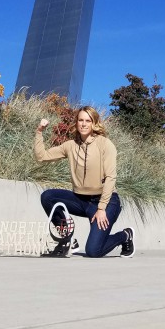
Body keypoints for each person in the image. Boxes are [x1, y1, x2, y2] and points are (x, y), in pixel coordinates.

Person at [34, 106, 135, 257]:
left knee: (93, 251)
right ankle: (67, 237)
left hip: (106, 202)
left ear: (94, 123)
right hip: (81, 200)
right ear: (76, 122)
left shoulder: (105, 144)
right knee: (48, 197)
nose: (83, 124)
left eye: (88, 120)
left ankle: (125, 236)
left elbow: (110, 177)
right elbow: (41, 157)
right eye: (80, 120)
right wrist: (39, 131)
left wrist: (101, 208)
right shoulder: (70, 145)